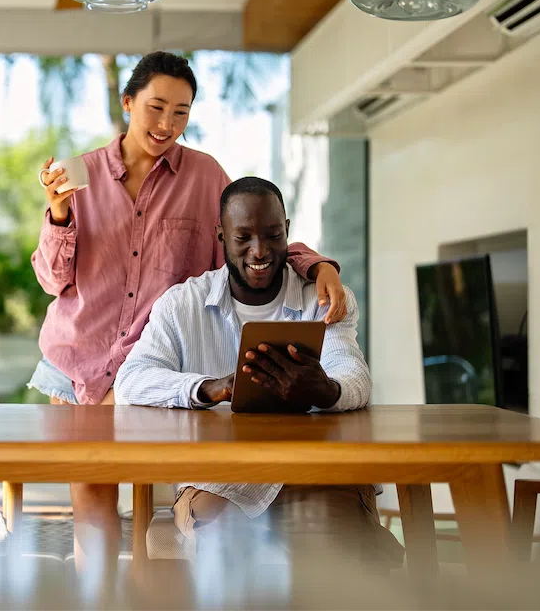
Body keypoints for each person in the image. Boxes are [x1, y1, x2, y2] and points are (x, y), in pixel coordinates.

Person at [29, 51, 348, 572]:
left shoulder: (205, 177)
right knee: (92, 494)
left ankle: (150, 593)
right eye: (155, 107)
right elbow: (51, 280)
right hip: (76, 362)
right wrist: (59, 211)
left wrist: (316, 265)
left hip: (147, 364)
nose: (166, 124)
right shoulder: (80, 174)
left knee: (152, 484)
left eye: (181, 112)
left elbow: (251, 238)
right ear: (127, 102)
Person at [113, 176, 401, 568]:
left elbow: (356, 378)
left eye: (272, 235)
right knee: (228, 549)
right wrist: (209, 387)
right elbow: (131, 381)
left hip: (313, 473)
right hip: (218, 481)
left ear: (288, 231)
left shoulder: (323, 300)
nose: (259, 250)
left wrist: (326, 390)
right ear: (221, 235)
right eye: (243, 237)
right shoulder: (182, 305)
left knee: (329, 550)